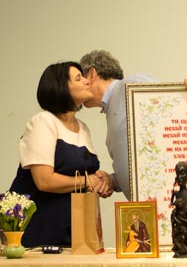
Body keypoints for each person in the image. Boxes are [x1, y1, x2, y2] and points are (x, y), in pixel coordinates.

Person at [9, 61, 112, 248]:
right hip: (40, 227)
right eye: (78, 78)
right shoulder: (43, 121)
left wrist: (100, 181)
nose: (87, 81)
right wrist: (86, 181)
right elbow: (44, 180)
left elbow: (84, 174)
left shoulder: (83, 128)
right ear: (60, 87)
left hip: (75, 228)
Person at [79, 50, 154, 198]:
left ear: (91, 75)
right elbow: (138, 165)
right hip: (144, 205)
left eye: (81, 79)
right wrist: (112, 180)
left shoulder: (130, 84)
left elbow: (168, 102)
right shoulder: (111, 108)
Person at [169, 161, 187, 257]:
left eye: (182, 173)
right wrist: (175, 203)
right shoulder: (176, 193)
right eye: (177, 174)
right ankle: (179, 249)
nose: (180, 177)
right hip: (178, 217)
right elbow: (171, 203)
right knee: (178, 235)